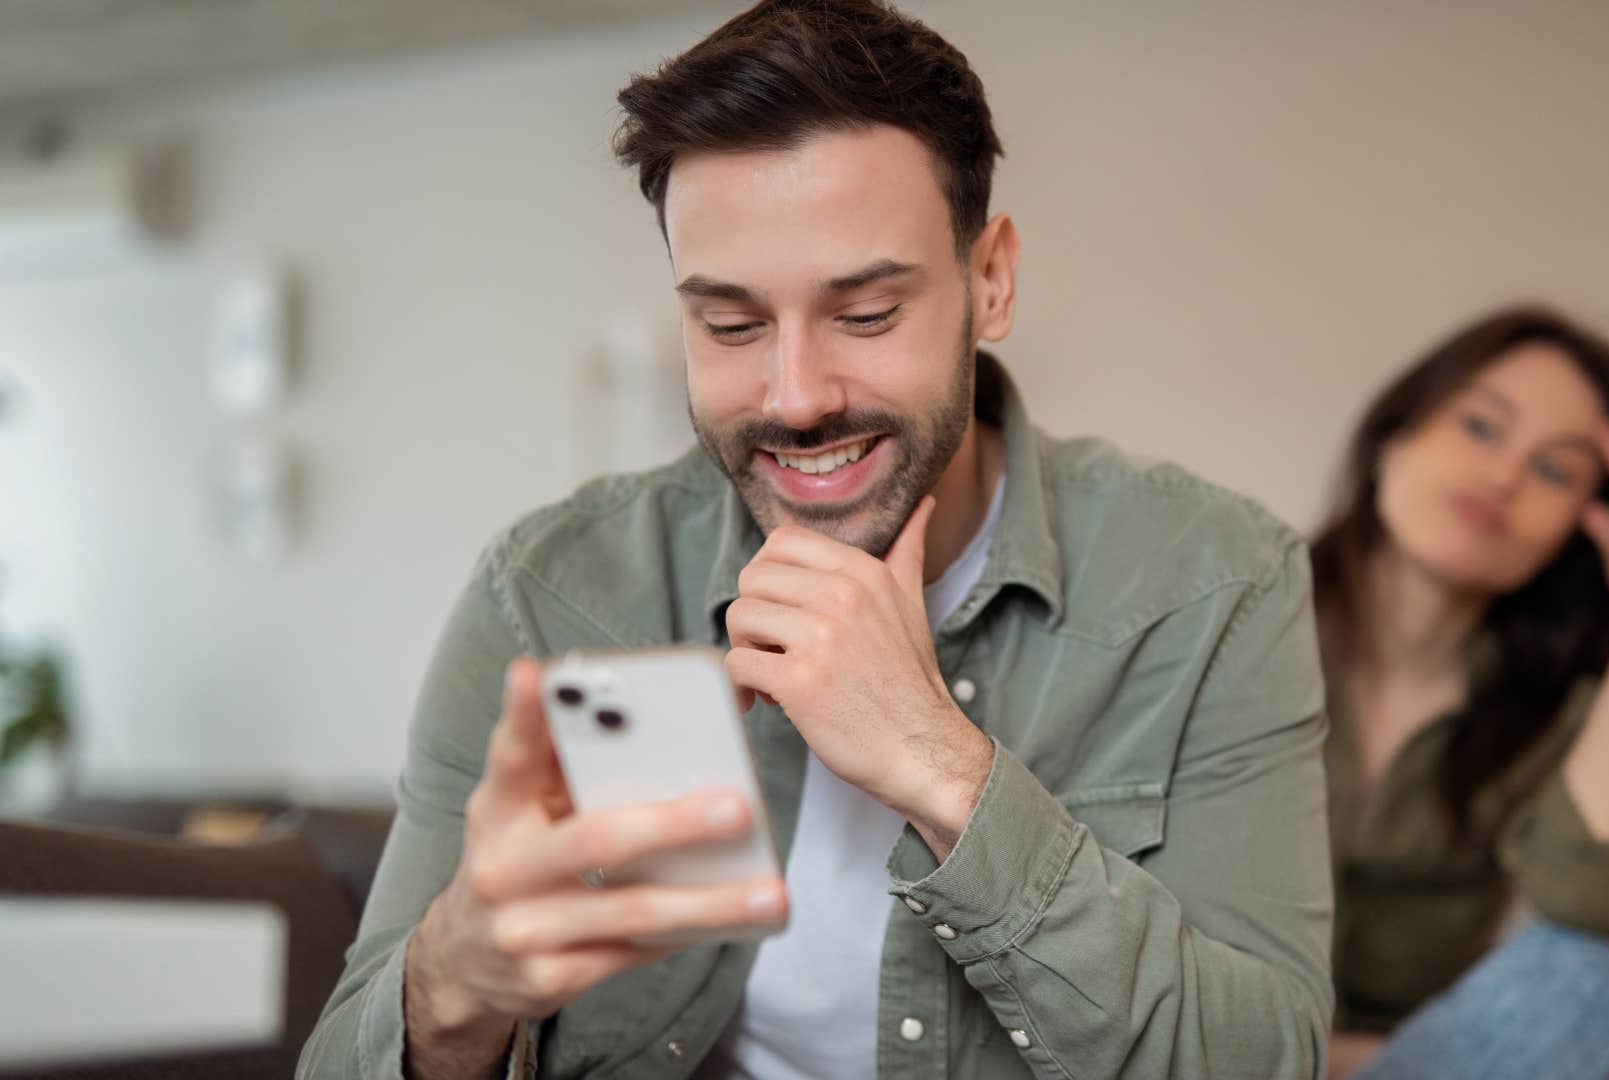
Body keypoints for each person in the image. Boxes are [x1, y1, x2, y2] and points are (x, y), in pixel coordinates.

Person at [297, 2, 1333, 1077]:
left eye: (867, 314)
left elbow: (1265, 1063)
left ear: (992, 281)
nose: (793, 398)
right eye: (731, 326)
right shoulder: (557, 595)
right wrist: (455, 985)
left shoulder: (1217, 584)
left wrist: (944, 770)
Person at [1310, 306, 1609, 1080]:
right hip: (1198, 1052)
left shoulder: (1552, 713)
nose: (1504, 477)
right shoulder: (1223, 616)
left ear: (1580, 531)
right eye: (1483, 428)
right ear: (1396, 434)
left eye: (1555, 470)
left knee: (1585, 978)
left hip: (1419, 1064)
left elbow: (1593, 899)